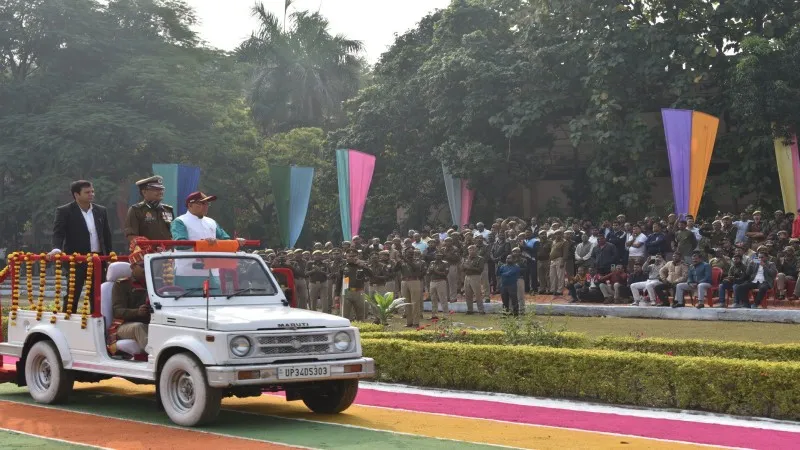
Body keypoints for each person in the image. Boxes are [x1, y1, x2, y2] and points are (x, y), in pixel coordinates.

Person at [50, 180, 113, 313]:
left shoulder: (101, 210)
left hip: (97, 259)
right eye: (87, 192)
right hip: (76, 260)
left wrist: (109, 256)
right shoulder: (65, 211)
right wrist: (56, 249)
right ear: (76, 195)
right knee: (73, 294)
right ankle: (68, 320)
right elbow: (58, 233)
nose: (91, 194)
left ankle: (97, 321)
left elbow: (106, 235)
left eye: (92, 191)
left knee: (97, 295)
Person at [108, 246, 149, 355]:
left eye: (149, 265)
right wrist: (137, 312)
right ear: (133, 267)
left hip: (149, 322)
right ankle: (154, 356)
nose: (146, 269)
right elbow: (118, 311)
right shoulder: (121, 284)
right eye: (143, 266)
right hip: (123, 325)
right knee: (138, 327)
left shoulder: (153, 283)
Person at [125, 176, 174, 242]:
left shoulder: (168, 210)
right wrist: (146, 246)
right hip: (147, 248)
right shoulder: (136, 210)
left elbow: (173, 233)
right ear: (144, 192)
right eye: (156, 189)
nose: (160, 192)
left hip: (168, 248)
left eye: (161, 189)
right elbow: (131, 236)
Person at [462, 245, 486, 315]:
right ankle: (470, 309)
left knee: (477, 294)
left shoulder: (480, 259)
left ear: (476, 250)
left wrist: (470, 267)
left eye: (473, 249)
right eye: (469, 250)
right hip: (467, 276)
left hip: (475, 276)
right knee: (468, 294)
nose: (471, 251)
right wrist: (464, 267)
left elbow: (480, 269)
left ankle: (481, 310)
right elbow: (462, 268)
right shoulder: (466, 258)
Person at [427, 250, 450, 319]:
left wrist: (436, 271)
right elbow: (428, 272)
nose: (438, 256)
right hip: (432, 281)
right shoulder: (432, 262)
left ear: (442, 256)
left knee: (443, 298)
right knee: (433, 299)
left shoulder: (445, 263)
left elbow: (445, 273)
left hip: (441, 281)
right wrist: (430, 271)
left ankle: (445, 315)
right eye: (437, 255)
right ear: (434, 256)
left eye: (439, 255)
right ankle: (434, 315)